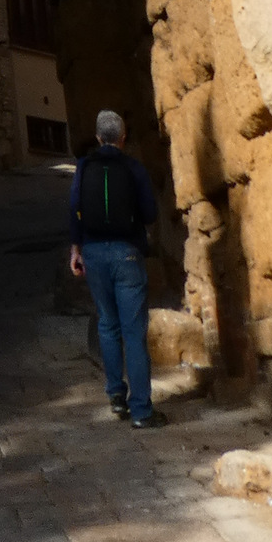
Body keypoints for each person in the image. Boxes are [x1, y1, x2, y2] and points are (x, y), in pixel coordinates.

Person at [68, 108, 164, 429]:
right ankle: (142, 410)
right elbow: (150, 212)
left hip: (93, 252)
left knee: (108, 325)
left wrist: (76, 248)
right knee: (134, 332)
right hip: (126, 253)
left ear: (97, 137)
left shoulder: (83, 168)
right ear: (123, 138)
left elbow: (74, 210)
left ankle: (116, 396)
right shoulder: (134, 169)